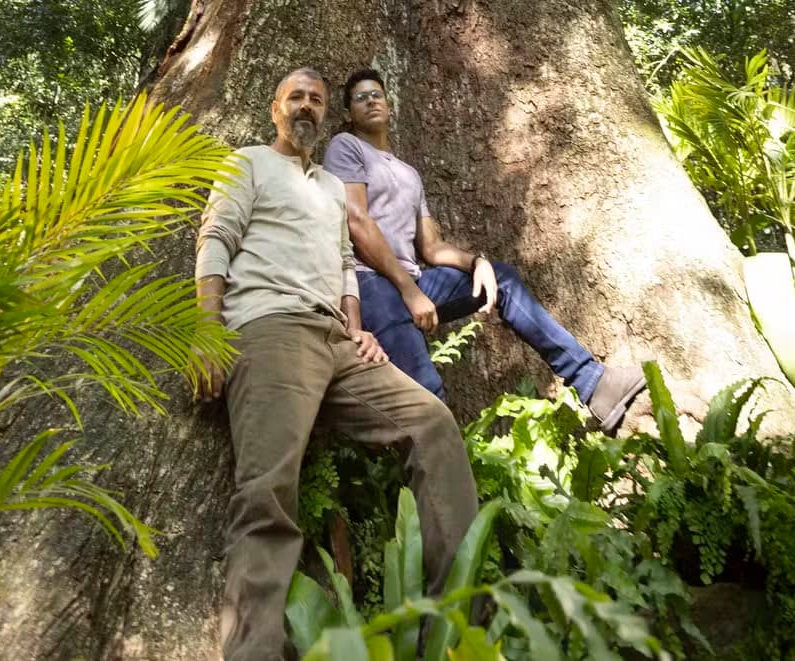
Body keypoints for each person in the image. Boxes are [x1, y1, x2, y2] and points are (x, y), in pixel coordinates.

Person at [194, 68, 478, 661]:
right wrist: (206, 330)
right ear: (275, 108)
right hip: (271, 329)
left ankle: (455, 627)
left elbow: (346, 265)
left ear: (326, 116)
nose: (305, 106)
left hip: (340, 342)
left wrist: (356, 329)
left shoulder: (328, 185)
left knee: (432, 424)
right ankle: (254, 651)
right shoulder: (246, 162)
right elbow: (216, 238)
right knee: (269, 492)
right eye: (295, 96)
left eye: (316, 100)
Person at [323, 68, 646, 432]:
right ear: (349, 113)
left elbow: (430, 247)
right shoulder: (345, 147)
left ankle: (593, 382)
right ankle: (446, 482)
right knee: (425, 392)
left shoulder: (409, 173)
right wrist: (409, 290)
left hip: (412, 282)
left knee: (502, 278)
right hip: (371, 284)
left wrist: (477, 262)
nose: (370, 101)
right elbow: (357, 220)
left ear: (389, 104)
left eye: (376, 94)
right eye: (360, 98)